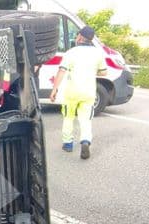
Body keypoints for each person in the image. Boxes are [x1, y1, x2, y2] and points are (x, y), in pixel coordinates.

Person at [49, 26, 107, 160]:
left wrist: (54, 89)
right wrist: (92, 71)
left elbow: (62, 71)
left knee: (68, 117)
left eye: (77, 36)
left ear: (80, 37)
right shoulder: (98, 53)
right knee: (85, 119)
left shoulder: (71, 52)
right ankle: (85, 141)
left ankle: (68, 144)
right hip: (89, 92)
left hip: (72, 92)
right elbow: (104, 72)